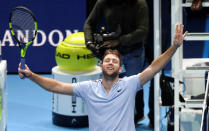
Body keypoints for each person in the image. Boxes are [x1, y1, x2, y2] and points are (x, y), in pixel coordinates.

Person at [18, 24, 187, 131]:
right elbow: (56, 87)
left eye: (114, 61)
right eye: (107, 60)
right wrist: (32, 75)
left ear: (120, 68)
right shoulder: (88, 88)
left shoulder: (129, 84)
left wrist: (174, 47)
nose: (111, 63)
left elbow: (153, 67)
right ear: (101, 66)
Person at [83, 0, 149, 125]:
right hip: (112, 53)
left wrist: (119, 41)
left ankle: (136, 116)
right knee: (110, 87)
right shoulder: (103, 2)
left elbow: (143, 31)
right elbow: (89, 24)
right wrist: (89, 42)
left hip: (133, 52)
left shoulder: (140, 4)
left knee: (133, 87)